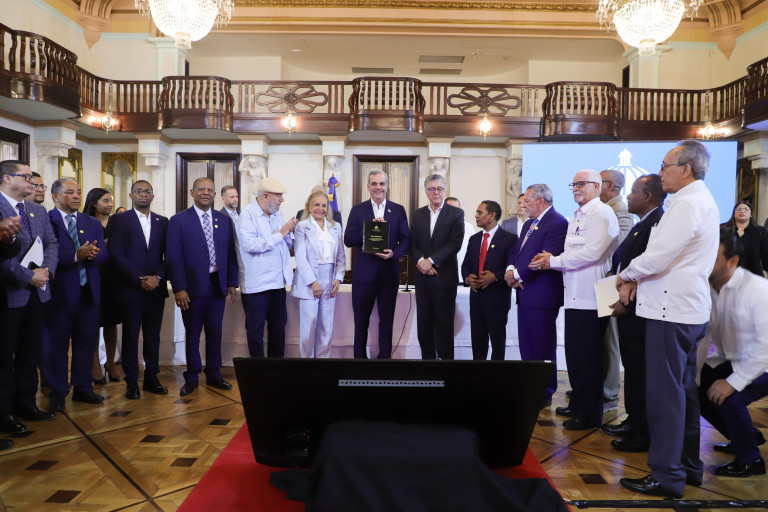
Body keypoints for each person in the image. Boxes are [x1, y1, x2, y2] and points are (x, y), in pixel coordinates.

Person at [616, 140, 719, 499]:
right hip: (683, 310)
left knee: (664, 398)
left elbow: (658, 256)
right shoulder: (695, 200)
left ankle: (666, 474)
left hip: (670, 311)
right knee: (682, 393)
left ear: (686, 169)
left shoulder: (687, 203)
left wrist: (625, 275)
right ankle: (688, 467)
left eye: (665, 165)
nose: (660, 172)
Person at [530, 170, 619, 430]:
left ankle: (589, 414)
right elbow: (572, 251)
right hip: (573, 295)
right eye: (574, 184)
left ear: (597, 186)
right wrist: (553, 258)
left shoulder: (602, 213)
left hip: (592, 296)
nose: (576, 188)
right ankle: (578, 403)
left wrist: (553, 261)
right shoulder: (578, 215)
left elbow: (593, 253)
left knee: (589, 358)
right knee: (576, 356)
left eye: (581, 184)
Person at [602, 174, 666, 453]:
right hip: (629, 306)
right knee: (633, 369)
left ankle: (642, 431)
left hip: (639, 310)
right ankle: (633, 419)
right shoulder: (643, 223)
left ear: (648, 196)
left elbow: (649, 269)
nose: (627, 196)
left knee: (641, 372)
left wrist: (626, 302)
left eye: (633, 192)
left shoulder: (658, 222)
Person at [699, 230, 768, 478]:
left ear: (732, 262)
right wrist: (698, 373)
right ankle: (743, 435)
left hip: (764, 362)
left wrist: (731, 383)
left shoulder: (757, 289)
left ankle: (751, 460)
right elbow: (708, 337)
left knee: (729, 397)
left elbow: (764, 348)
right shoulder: (709, 288)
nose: (705, 261)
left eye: (713, 257)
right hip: (737, 358)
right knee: (697, 388)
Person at [0, 161, 58, 441]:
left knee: (31, 351)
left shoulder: (37, 210)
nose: (32, 182)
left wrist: (46, 272)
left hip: (38, 291)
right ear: (7, 178)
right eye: (26, 177)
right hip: (10, 292)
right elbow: (2, 256)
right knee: (5, 356)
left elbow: (51, 243)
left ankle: (27, 403)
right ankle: (5, 411)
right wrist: (28, 276)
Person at [166, 177, 238, 396]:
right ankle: (192, 376)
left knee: (215, 331)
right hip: (191, 287)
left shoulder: (223, 220)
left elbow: (231, 254)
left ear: (215, 194)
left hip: (217, 284)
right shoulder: (178, 220)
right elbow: (173, 258)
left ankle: (214, 374)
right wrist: (179, 288)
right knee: (193, 332)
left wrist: (231, 282)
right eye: (201, 189)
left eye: (210, 190)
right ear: (192, 192)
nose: (206, 193)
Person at [46, 178, 109, 411]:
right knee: (57, 346)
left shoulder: (91, 222)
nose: (76, 196)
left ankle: (84, 388)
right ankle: (58, 391)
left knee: (86, 343)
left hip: (89, 293)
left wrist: (94, 254)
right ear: (55, 196)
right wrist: (76, 256)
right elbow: (47, 256)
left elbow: (104, 254)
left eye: (79, 192)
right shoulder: (47, 220)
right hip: (59, 295)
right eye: (70, 192)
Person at [505, 184, 568, 407]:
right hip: (525, 292)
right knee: (528, 344)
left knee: (542, 345)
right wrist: (510, 270)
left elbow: (544, 259)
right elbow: (517, 252)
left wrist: (517, 275)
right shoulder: (529, 224)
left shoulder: (557, 222)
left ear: (540, 201)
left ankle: (543, 392)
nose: (523, 205)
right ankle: (530, 387)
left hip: (542, 294)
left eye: (527, 201)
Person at [107, 180, 169, 399]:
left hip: (156, 288)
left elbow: (169, 255)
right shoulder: (119, 220)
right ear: (131, 195)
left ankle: (152, 378)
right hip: (131, 288)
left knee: (153, 336)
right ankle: (131, 381)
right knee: (131, 335)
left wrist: (157, 277)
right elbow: (116, 253)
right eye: (139, 191)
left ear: (153, 196)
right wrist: (140, 278)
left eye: (148, 191)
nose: (144, 194)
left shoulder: (163, 221)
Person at [344, 169, 410, 359]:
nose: (378, 187)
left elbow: (406, 240)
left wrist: (394, 253)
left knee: (387, 322)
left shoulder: (398, 210)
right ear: (368, 186)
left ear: (387, 186)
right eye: (374, 183)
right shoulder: (358, 210)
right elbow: (348, 240)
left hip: (388, 276)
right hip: (363, 276)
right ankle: (359, 360)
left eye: (381, 183)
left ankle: (384, 360)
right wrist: (368, 228)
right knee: (361, 323)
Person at [237, 178, 296, 358]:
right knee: (255, 330)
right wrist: (281, 233)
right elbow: (250, 245)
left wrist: (290, 232)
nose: (282, 200)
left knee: (278, 328)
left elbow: (284, 243)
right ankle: (258, 370)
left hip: (277, 283)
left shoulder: (276, 214)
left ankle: (275, 368)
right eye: (279, 196)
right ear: (265, 196)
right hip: (257, 285)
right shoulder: (247, 215)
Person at [410, 174, 464, 360]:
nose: (436, 192)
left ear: (444, 190)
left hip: (444, 278)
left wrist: (431, 261)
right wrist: (421, 262)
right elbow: (412, 243)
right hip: (423, 279)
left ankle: (446, 367)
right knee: (424, 326)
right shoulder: (418, 214)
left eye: (440, 189)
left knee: (444, 326)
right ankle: (427, 364)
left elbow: (454, 243)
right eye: (432, 189)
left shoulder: (456, 213)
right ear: (426, 192)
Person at [292, 189, 346, 358]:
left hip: (330, 280)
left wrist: (338, 278)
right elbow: (300, 258)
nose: (320, 209)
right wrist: (313, 282)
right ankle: (306, 364)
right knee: (309, 327)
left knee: (326, 327)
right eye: (316, 205)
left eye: (324, 205)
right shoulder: (302, 226)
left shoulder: (335, 227)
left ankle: (323, 363)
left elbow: (341, 256)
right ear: (309, 206)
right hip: (309, 282)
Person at [461, 200, 516, 360]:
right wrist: (467, 277)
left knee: (497, 342)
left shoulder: (509, 239)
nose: (476, 216)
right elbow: (465, 265)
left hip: (497, 298)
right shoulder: (474, 239)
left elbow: (512, 266)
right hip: (476, 299)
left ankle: (496, 374)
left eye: (480, 212)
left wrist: (495, 276)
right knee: (478, 342)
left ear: (492, 215)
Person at [600, 169, 634, 410]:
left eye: (599, 182)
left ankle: (609, 392)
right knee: (600, 337)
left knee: (609, 339)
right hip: (603, 279)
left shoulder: (619, 209)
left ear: (611, 185)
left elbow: (618, 246)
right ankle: (599, 384)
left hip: (611, 280)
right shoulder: (605, 208)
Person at [83, 187, 121, 385]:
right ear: (93, 203)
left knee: (111, 322)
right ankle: (95, 364)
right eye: (105, 201)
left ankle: (111, 363)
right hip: (93, 275)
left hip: (113, 277)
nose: (110, 204)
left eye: (111, 200)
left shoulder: (116, 222)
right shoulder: (85, 221)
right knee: (93, 323)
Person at [721, 200, 768, 277]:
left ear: (751, 214)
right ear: (734, 214)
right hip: (727, 276)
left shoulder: (760, 231)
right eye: (738, 209)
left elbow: (766, 258)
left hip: (753, 277)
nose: (742, 211)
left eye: (746, 209)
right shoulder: (722, 230)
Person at [445, 196, 475, 284]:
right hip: (444, 276)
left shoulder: (468, 227)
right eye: (451, 208)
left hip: (463, 277)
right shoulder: (438, 227)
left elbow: (473, 251)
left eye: (457, 209)